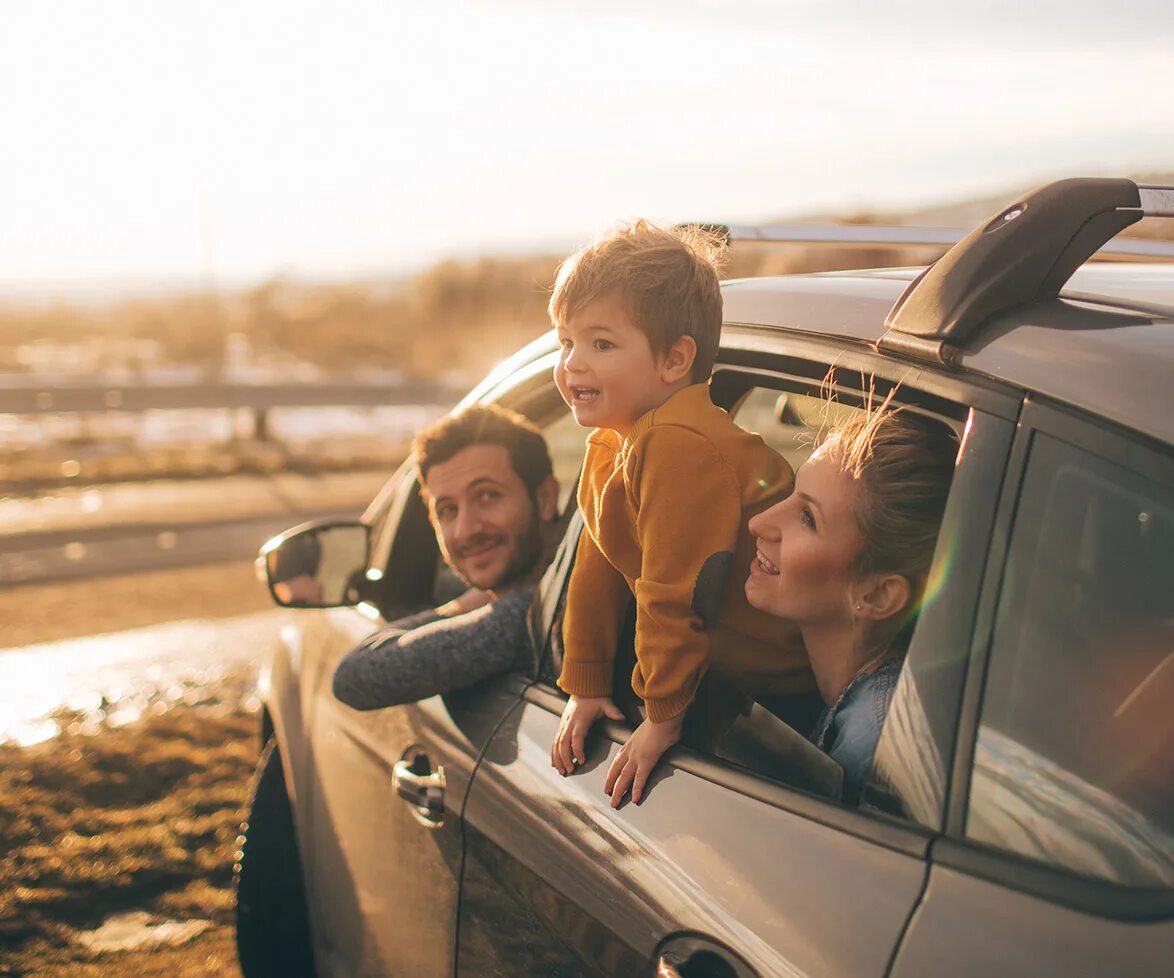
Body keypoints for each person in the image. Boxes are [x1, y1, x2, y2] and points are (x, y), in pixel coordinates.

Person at [548, 220, 811, 807]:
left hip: (781, 686)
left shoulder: (678, 444)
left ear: (674, 360)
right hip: (727, 677)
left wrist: (662, 716)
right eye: (566, 342)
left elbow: (674, 591)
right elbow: (598, 569)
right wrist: (586, 683)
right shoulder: (615, 442)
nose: (573, 364)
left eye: (601, 344)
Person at [744, 402, 957, 802]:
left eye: (807, 517)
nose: (760, 522)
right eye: (792, 494)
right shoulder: (872, 703)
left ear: (876, 595)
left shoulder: (870, 746)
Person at [332, 404, 561, 710]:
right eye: (448, 510)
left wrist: (463, 607)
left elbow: (355, 677)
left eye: (488, 495)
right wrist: (474, 601)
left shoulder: (538, 612)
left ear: (545, 498)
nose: (466, 530)